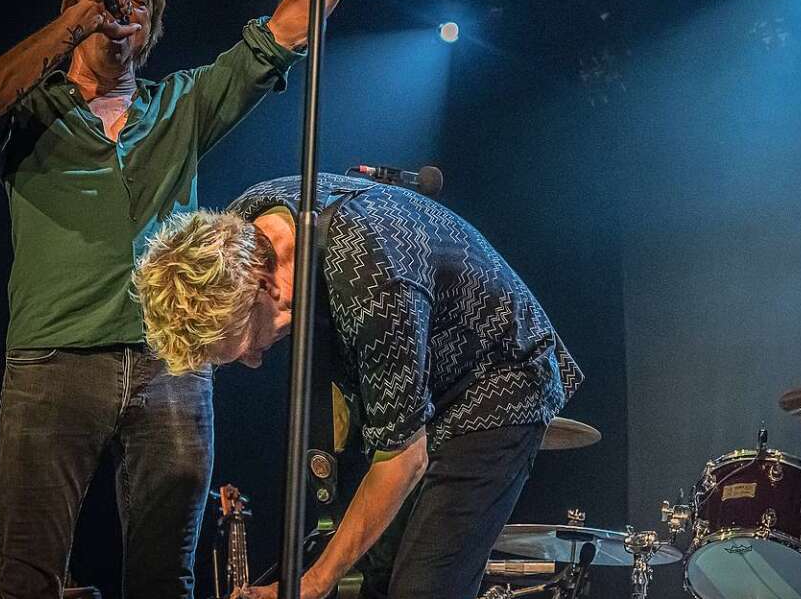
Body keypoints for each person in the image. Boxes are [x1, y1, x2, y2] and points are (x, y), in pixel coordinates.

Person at [0, 0, 421, 599]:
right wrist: (71, 26)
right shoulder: (30, 110)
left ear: (154, 19)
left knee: (165, 577)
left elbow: (286, 32)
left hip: (170, 364)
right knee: (25, 576)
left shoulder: (178, 105)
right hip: (50, 361)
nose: (121, 6)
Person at [133, 173, 584, 599]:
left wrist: (313, 583)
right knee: (377, 580)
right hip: (427, 373)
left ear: (265, 286)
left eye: (247, 341)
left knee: (422, 588)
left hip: (499, 377)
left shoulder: (373, 282)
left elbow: (403, 460)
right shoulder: (243, 227)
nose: (252, 361)